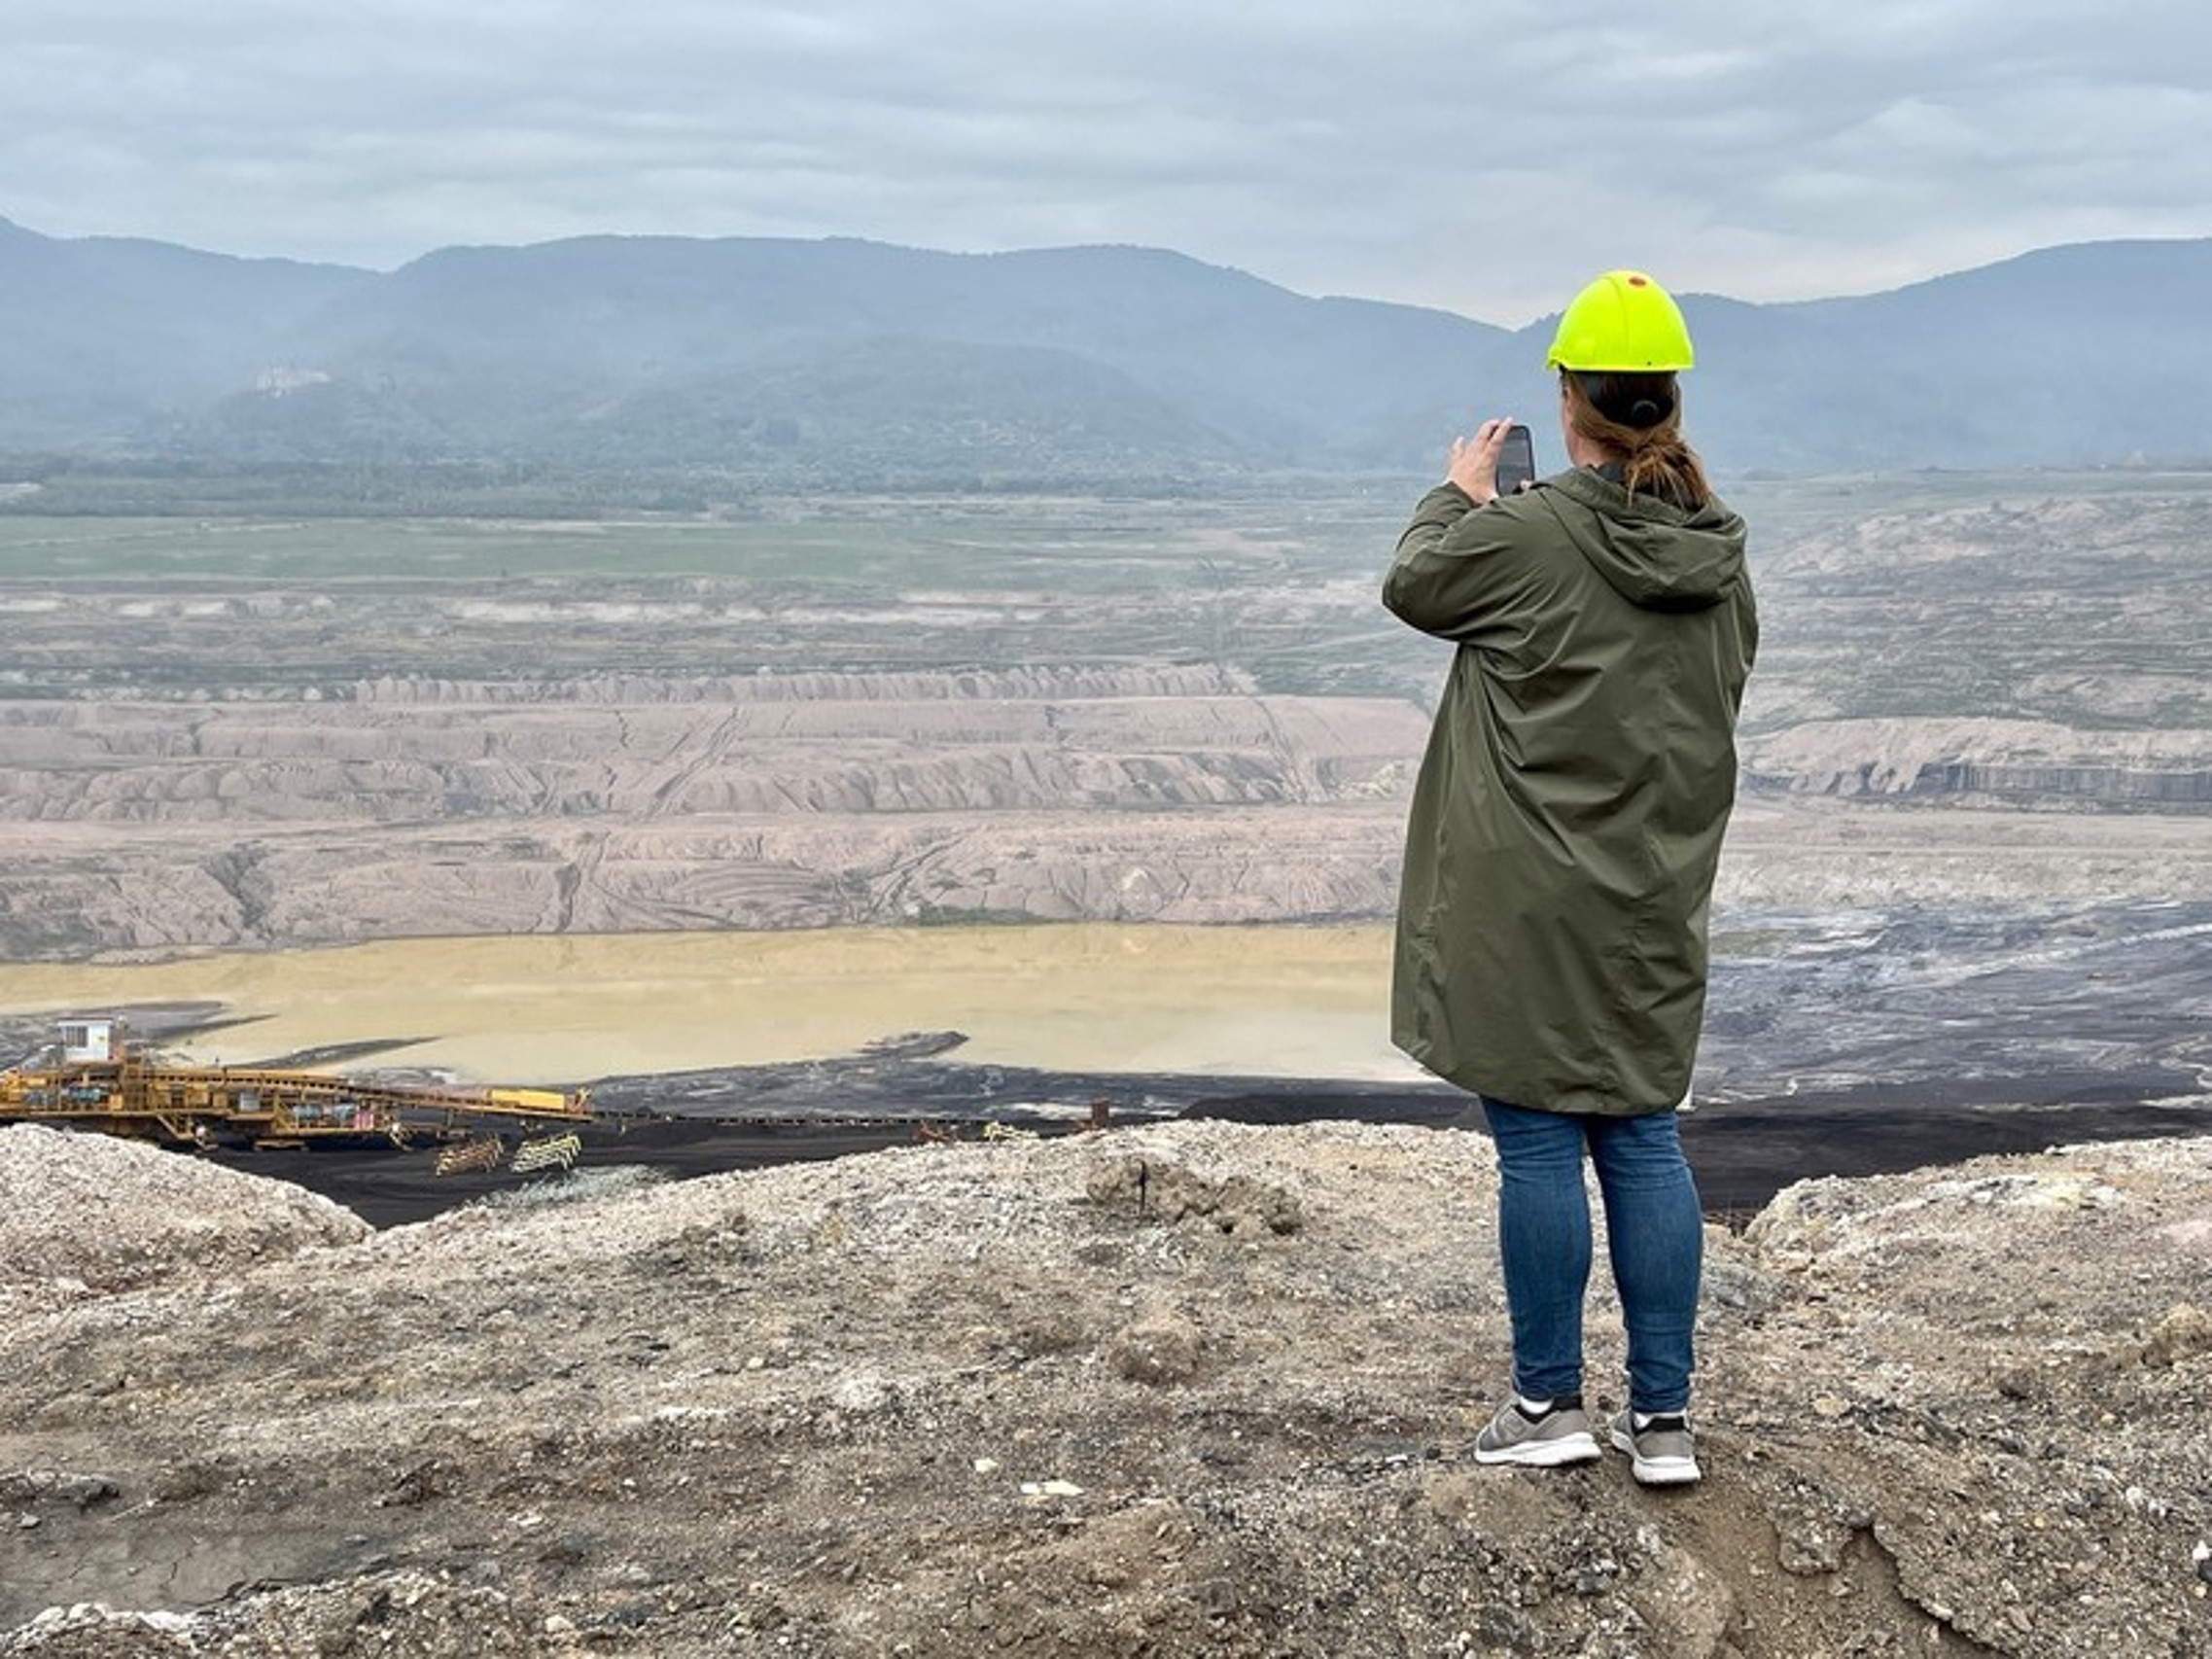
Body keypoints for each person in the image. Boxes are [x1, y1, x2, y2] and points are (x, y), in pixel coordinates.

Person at [1381, 270, 1757, 1487]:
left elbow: (1417, 586)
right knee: (1641, 1132)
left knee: (1537, 1138)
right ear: (1668, 399)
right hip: (1651, 888)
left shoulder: (1528, 532)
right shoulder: (1716, 552)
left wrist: (1456, 492)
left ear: (1571, 396)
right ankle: (1663, 1421)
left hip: (1526, 892)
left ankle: (1546, 1400)